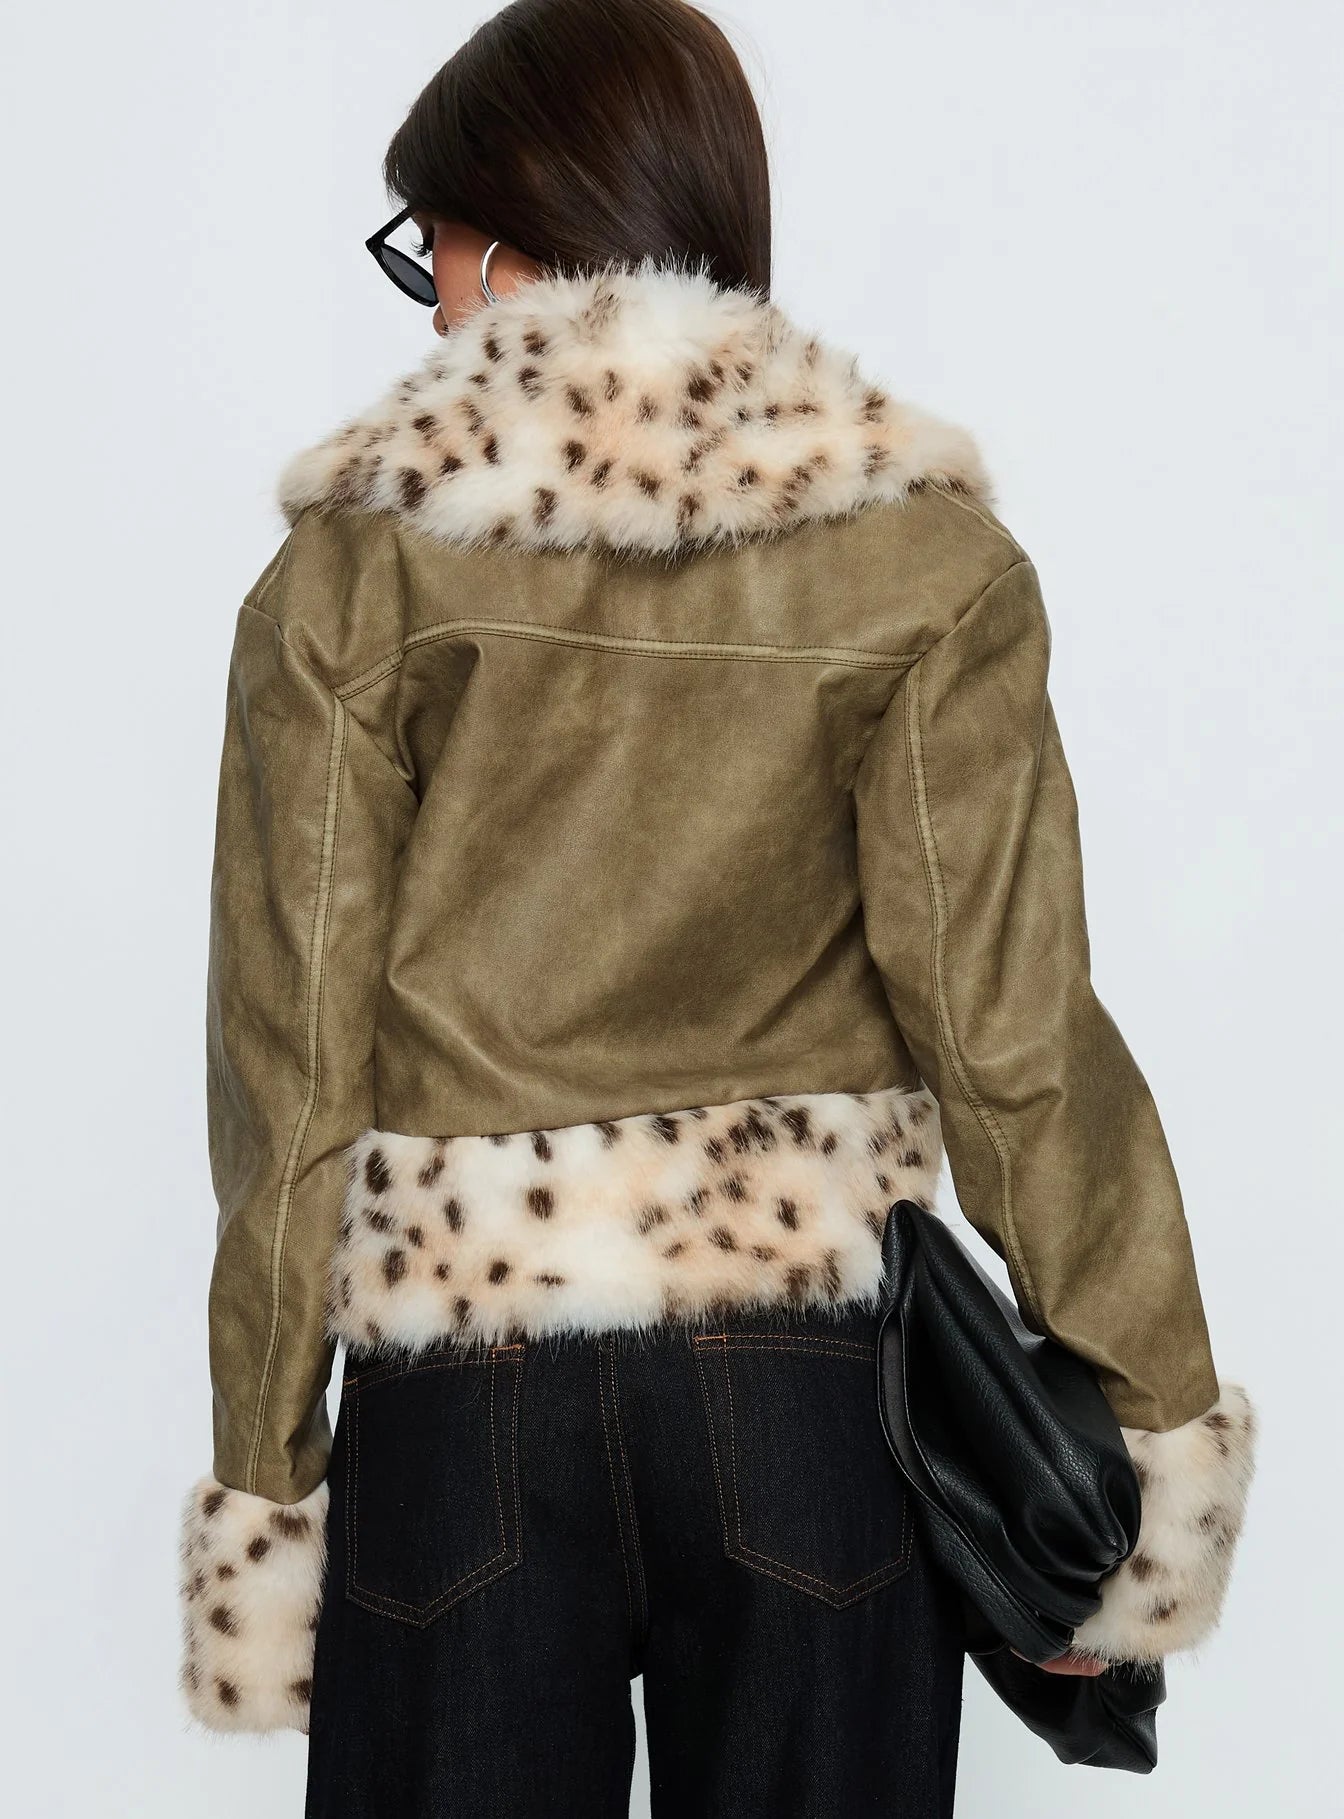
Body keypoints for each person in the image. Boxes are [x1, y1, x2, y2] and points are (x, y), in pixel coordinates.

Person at [178, 3, 1256, 1813]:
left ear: (525, 241)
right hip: (811, 1397)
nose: (435, 310)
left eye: (435, 251)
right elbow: (1012, 1038)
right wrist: (1145, 1432)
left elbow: (288, 1072)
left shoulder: (353, 574)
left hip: (464, 1385)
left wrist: (267, 1480)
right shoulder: (920, 560)